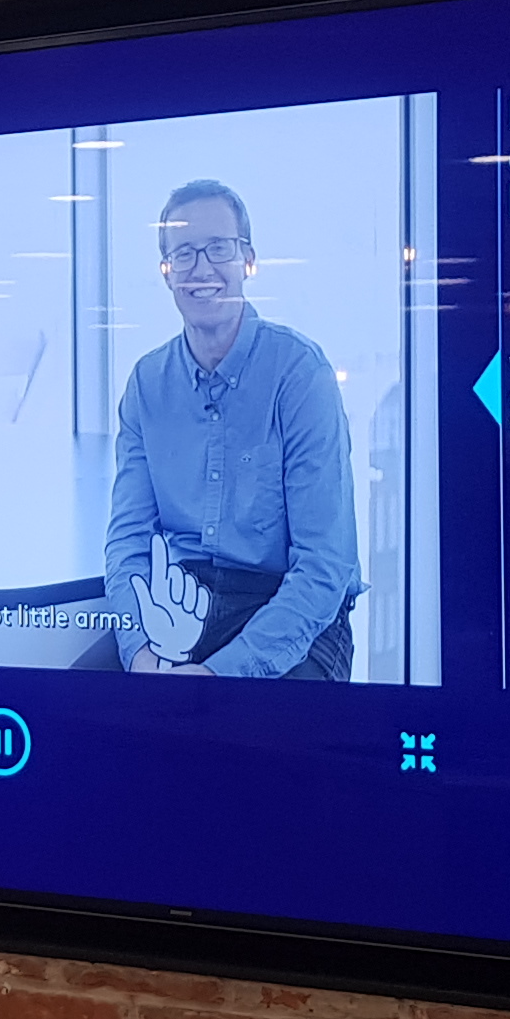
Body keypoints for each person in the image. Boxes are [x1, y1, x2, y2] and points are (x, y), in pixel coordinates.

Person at [104, 178, 359, 679]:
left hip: (291, 615)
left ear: (248, 260)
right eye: (183, 254)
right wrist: (141, 656)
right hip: (181, 611)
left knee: (241, 724)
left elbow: (324, 566)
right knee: (68, 705)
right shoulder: (147, 383)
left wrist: (217, 676)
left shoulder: (299, 374)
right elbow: (128, 544)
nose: (201, 269)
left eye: (218, 248)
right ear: (166, 272)